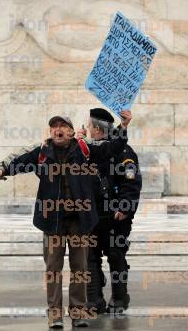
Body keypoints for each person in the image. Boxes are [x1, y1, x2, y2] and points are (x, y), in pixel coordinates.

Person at [0, 111, 133, 328]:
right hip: (52, 221)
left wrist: (124, 125)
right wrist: (1, 170)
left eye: (62, 125)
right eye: (54, 126)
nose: (58, 129)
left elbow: (112, 148)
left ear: (72, 131)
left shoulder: (84, 149)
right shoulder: (43, 152)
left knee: (80, 269)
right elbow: (20, 160)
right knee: (53, 270)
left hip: (79, 221)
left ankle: (78, 313)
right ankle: (55, 315)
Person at [78, 108, 142, 315]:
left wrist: (125, 207)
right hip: (92, 216)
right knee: (90, 257)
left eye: (89, 127)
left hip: (116, 217)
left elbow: (131, 183)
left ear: (97, 130)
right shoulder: (85, 152)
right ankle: (95, 300)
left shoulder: (124, 152)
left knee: (116, 255)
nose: (87, 130)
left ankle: (119, 297)